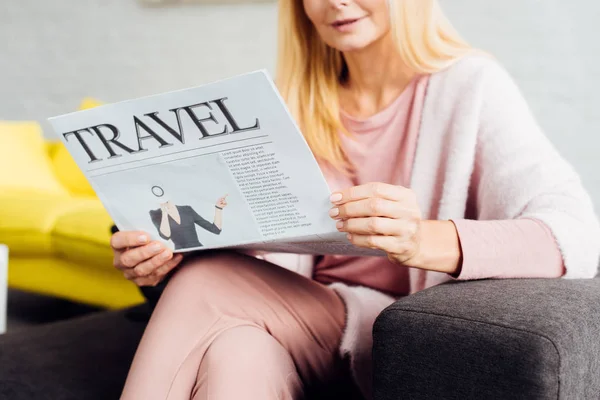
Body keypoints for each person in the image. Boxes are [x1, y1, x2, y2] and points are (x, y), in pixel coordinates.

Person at [112, 1, 600, 399]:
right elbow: (260, 246)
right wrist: (167, 256)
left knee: (206, 283)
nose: (334, 3)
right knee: (236, 355)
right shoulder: (291, 106)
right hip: (294, 319)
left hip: (393, 329)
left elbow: (576, 236)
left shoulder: (470, 86)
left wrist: (422, 239)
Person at [148, 185, 228, 250]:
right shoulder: (156, 214)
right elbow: (166, 236)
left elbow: (215, 229)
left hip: (199, 250)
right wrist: (164, 213)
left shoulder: (186, 209)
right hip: (182, 254)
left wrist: (218, 208)